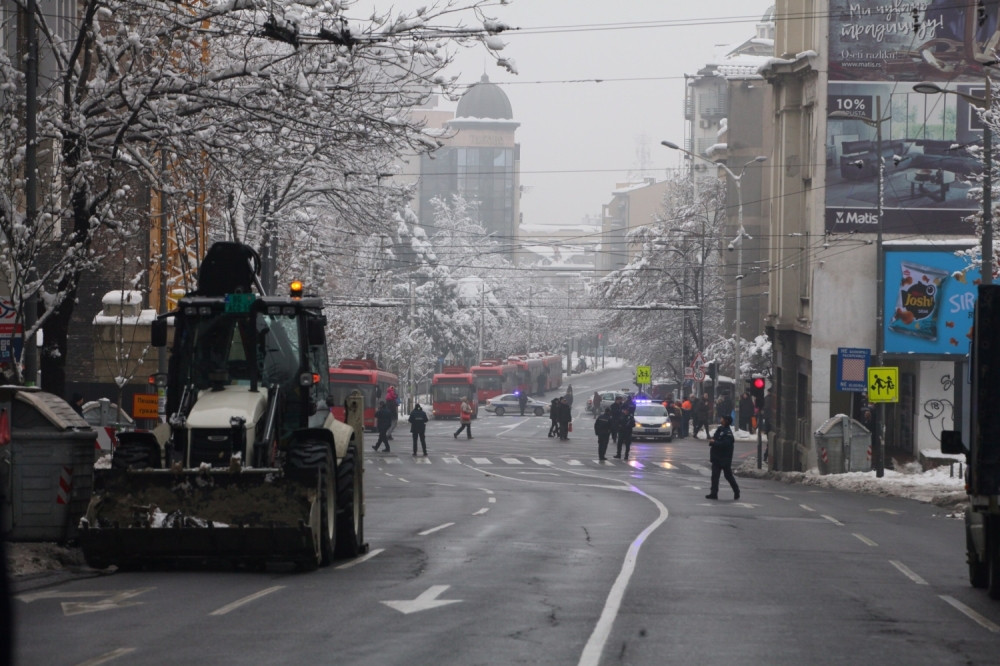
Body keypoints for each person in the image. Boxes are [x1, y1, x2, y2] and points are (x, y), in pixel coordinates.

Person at [706, 415, 740, 500]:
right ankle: (713, 493)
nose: (721, 420)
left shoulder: (727, 432)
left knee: (728, 476)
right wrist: (712, 441)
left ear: (726, 421)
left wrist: (715, 442)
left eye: (722, 419)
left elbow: (725, 444)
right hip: (716, 457)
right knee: (714, 476)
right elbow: (714, 438)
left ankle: (736, 491)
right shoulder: (720, 429)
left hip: (724, 458)